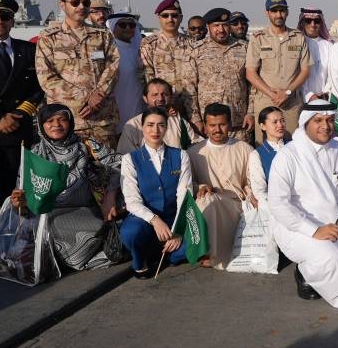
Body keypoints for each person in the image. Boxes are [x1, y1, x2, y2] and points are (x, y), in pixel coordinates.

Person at [267, 99, 338, 309]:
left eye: (329, 120)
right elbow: (278, 205)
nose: (325, 126)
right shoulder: (288, 155)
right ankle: (305, 270)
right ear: (305, 123)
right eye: (318, 120)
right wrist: (314, 230)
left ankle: (321, 268)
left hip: (337, 226)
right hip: (298, 229)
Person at [10, 104, 122, 271]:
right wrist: (18, 202)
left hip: (84, 210)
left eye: (62, 119)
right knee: (38, 238)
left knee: (87, 237)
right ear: (41, 125)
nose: (56, 125)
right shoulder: (34, 154)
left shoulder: (85, 145)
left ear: (70, 122)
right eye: (49, 121)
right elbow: (24, 196)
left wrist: (110, 197)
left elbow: (120, 165)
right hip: (48, 215)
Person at [0, 0, 43, 232]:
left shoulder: (29, 50)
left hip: (17, 130)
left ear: (12, 20)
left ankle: (12, 244)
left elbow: (39, 88)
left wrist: (17, 114)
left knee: (15, 193)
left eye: (5, 16)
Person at [36, 0, 120, 147]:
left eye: (85, 3)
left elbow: (113, 67)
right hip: (65, 120)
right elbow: (46, 77)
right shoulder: (49, 38)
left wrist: (99, 96)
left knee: (105, 170)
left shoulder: (103, 35)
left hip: (101, 120)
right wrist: (86, 98)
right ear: (62, 5)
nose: (81, 7)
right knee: (68, 170)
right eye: (75, 3)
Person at [117, 107, 192, 278]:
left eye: (161, 125)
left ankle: (165, 253)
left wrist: (178, 231)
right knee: (130, 233)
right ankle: (140, 258)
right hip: (144, 220)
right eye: (150, 125)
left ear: (167, 128)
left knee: (196, 243)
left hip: (173, 218)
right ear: (142, 127)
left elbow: (184, 195)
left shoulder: (181, 156)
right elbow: (132, 201)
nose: (155, 130)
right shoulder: (130, 159)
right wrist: (155, 220)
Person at [187, 103, 255, 269]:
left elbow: (253, 182)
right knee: (206, 199)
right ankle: (207, 251)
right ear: (205, 126)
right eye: (212, 125)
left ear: (230, 125)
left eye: (222, 124)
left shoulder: (244, 149)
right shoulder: (194, 152)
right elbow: (188, 184)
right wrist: (200, 187)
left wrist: (252, 195)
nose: (217, 130)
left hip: (236, 205)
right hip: (209, 203)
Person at [246, 0, 312, 143]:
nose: (278, 15)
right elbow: (250, 73)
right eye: (274, 11)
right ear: (267, 13)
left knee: (293, 144)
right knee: (265, 144)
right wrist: (273, 94)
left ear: (287, 12)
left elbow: (305, 71)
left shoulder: (298, 37)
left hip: (291, 102)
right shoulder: (258, 38)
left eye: (282, 10)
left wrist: (287, 92)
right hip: (266, 100)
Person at [189, 8, 254, 142]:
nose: (221, 29)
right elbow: (189, 88)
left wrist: (251, 113)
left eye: (225, 25)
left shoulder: (244, 48)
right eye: (216, 26)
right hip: (209, 126)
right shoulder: (196, 51)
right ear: (208, 27)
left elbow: (253, 85)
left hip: (238, 124)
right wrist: (196, 119)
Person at [140, 0, 194, 118]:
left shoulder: (192, 43)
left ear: (181, 18)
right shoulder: (149, 44)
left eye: (174, 15)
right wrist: (164, 103)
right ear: (159, 18)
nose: (170, 19)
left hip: (189, 104)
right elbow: (148, 76)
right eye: (165, 16)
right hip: (162, 105)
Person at [117, 78, 203, 154]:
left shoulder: (177, 120)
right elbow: (125, 158)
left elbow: (196, 143)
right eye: (155, 95)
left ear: (171, 97)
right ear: (145, 98)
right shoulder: (133, 126)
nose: (160, 99)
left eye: (164, 94)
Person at [107, 12, 144, 127]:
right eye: (122, 25)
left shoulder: (140, 49)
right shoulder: (109, 51)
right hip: (116, 110)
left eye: (132, 25)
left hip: (139, 109)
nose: (128, 28)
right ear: (113, 27)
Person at [247, 106, 289, 207]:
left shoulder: (294, 147)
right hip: (274, 206)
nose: (280, 125)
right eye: (275, 122)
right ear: (263, 126)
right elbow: (260, 191)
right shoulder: (257, 155)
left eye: (282, 121)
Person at [298, 7, 334, 100]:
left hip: (325, 98)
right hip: (301, 99)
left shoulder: (330, 46)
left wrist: (325, 92)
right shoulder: (297, 44)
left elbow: (333, 74)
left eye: (317, 21)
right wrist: (309, 96)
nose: (312, 25)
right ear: (303, 22)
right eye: (308, 21)